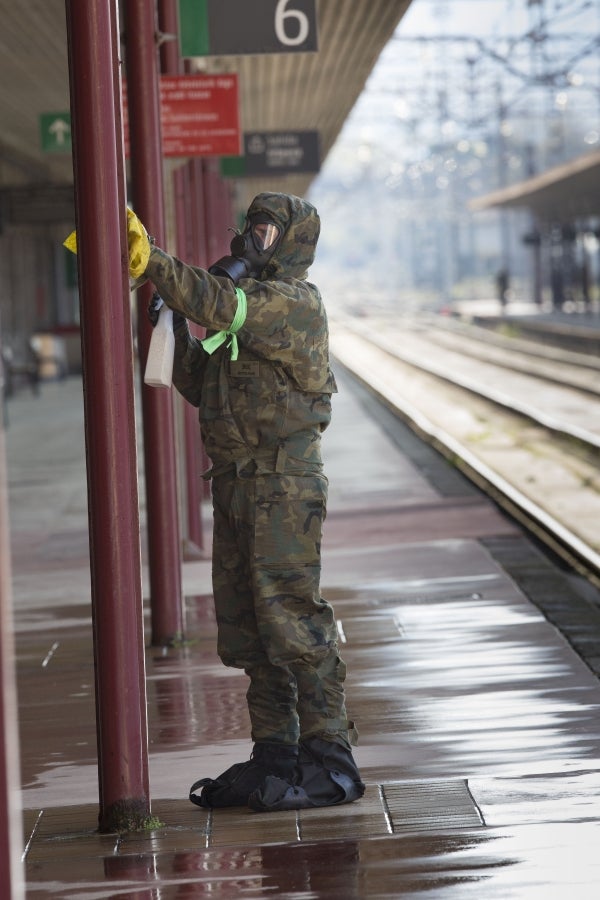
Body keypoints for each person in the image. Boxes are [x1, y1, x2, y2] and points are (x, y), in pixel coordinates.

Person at [133, 192, 364, 813]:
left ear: (293, 242)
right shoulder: (244, 321)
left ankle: (330, 754)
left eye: (267, 231)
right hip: (238, 484)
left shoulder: (292, 304)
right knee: (253, 631)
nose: (253, 239)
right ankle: (276, 752)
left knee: (294, 621)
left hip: (281, 489)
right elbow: (202, 385)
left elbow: (221, 302)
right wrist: (171, 328)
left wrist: (156, 263)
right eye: (252, 227)